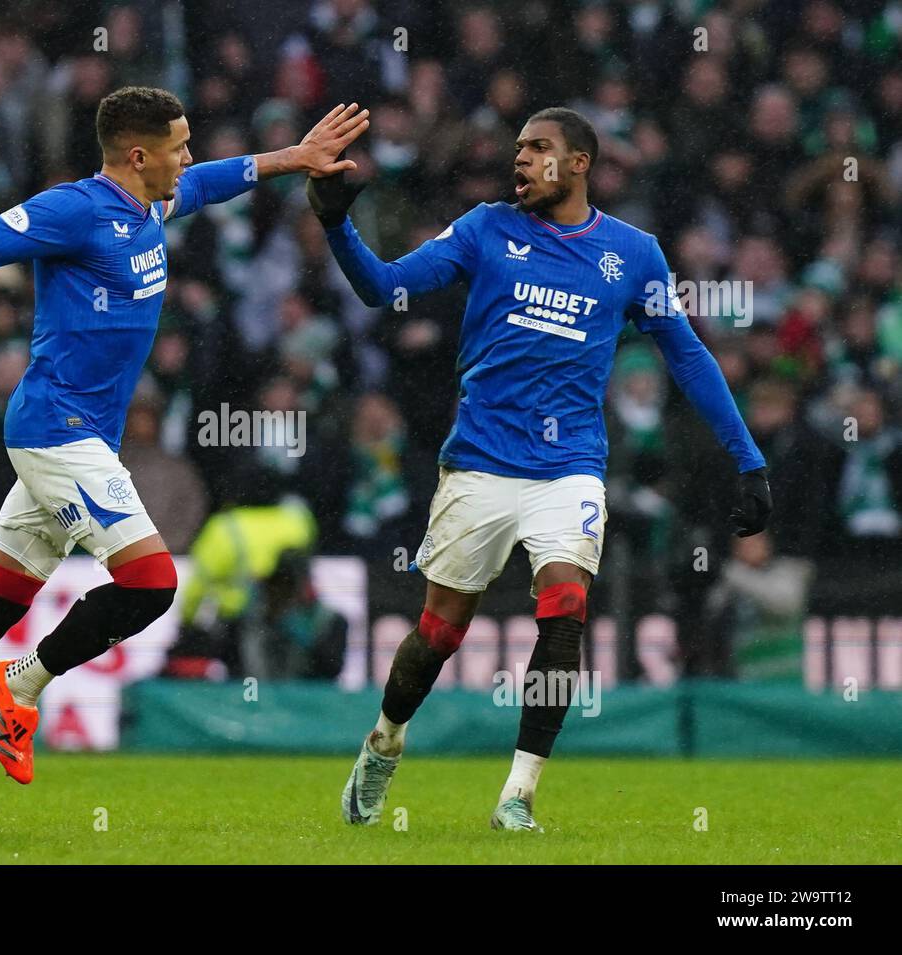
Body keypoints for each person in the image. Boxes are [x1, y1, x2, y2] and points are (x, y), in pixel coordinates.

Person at [0, 86, 369, 833]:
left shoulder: (155, 201)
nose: (189, 157)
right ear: (138, 154)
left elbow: (220, 176)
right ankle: (19, 687)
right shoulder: (76, 210)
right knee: (152, 582)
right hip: (56, 430)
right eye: (179, 145)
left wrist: (296, 157)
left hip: (78, 435)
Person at [309, 107, 772, 831]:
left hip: (570, 468)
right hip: (481, 463)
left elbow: (687, 354)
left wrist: (749, 458)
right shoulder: (486, 228)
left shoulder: (633, 254)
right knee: (439, 631)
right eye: (517, 149)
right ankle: (385, 740)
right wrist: (337, 225)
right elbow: (383, 286)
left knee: (564, 609)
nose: (519, 160)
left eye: (538, 149)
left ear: (580, 162)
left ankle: (518, 794)